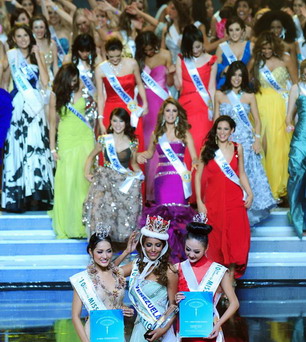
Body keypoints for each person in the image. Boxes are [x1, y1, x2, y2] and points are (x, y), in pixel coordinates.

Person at [214, 61, 276, 225]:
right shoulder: (219, 95)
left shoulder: (249, 96)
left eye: (240, 75)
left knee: (247, 177)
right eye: (234, 74)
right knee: (230, 177)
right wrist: (214, 143)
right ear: (229, 76)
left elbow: (257, 121)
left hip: (246, 144)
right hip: (226, 142)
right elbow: (215, 122)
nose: (237, 78)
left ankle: (245, 217)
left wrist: (256, 140)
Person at [137, 97, 198, 263]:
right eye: (168, 110)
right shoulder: (157, 134)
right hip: (162, 181)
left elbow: (194, 157)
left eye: (174, 110)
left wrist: (196, 164)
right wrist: (141, 155)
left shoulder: (184, 133)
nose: (171, 114)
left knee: (180, 219)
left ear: (178, 114)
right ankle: (165, 259)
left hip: (179, 180)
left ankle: (180, 259)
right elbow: (150, 153)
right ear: (163, 114)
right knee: (164, 218)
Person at [1, 25, 54, 213]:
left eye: (25, 35)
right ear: (14, 39)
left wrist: (38, 55)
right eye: (19, 36)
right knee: (19, 149)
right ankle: (18, 196)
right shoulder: (12, 56)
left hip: (35, 107)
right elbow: (4, 82)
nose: (23, 39)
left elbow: (46, 82)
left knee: (35, 147)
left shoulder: (34, 55)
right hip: (18, 106)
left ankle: (37, 196)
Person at [195, 115, 252, 281]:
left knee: (236, 239)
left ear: (232, 130)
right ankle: (218, 283)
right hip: (213, 202)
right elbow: (198, 176)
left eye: (226, 129)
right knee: (216, 240)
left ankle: (231, 281)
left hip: (234, 201)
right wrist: (199, 201)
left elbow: (241, 173)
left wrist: (250, 192)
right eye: (219, 128)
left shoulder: (237, 148)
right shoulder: (208, 148)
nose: (222, 132)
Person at [83, 107, 143, 242]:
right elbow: (90, 157)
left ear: (126, 123)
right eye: (115, 121)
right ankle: (98, 245)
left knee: (123, 215)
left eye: (121, 121)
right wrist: (86, 173)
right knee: (100, 211)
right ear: (110, 122)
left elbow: (133, 164)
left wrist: (139, 174)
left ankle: (123, 246)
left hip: (123, 181)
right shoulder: (104, 140)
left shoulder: (132, 142)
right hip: (105, 180)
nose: (117, 124)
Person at [49, 63, 95, 238]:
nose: (73, 84)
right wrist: (53, 149)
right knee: (67, 182)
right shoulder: (56, 95)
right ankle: (68, 223)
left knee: (83, 182)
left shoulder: (83, 90)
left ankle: (83, 224)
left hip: (85, 138)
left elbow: (94, 108)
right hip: (67, 139)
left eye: (76, 80)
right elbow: (53, 124)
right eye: (71, 80)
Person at [249, 31, 297, 200]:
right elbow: (245, 79)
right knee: (263, 145)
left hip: (281, 107)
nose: (267, 51)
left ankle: (279, 187)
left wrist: (293, 109)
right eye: (264, 48)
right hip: (261, 107)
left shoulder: (286, 59)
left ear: (275, 46)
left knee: (279, 146)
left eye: (270, 48)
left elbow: (296, 84)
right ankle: (264, 188)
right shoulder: (256, 61)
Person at [176, 24, 217, 202]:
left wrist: (214, 112)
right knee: (185, 147)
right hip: (185, 107)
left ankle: (203, 192)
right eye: (191, 48)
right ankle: (186, 192)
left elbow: (212, 89)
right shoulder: (181, 59)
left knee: (202, 145)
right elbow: (178, 87)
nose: (196, 51)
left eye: (199, 46)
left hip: (203, 108)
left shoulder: (211, 60)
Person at [135, 30, 174, 201]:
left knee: (160, 142)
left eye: (151, 49)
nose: (149, 52)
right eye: (146, 50)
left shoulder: (166, 54)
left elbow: (172, 84)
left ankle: (159, 190)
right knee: (145, 143)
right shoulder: (137, 59)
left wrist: (172, 73)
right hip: (144, 106)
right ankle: (145, 192)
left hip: (161, 104)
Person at [95, 36, 148, 146]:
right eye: (111, 57)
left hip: (131, 109)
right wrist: (100, 120)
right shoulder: (100, 69)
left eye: (118, 56)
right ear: (106, 54)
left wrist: (145, 103)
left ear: (122, 52)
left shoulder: (132, 64)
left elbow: (140, 84)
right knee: (111, 145)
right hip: (110, 110)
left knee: (133, 145)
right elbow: (100, 96)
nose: (114, 59)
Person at [286, 58, 306, 238]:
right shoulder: (296, 88)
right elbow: (289, 116)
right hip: (301, 138)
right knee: (297, 175)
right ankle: (298, 217)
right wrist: (288, 125)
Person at [215, 16, 252, 89]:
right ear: (227, 31)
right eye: (231, 30)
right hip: (225, 85)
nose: (234, 33)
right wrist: (224, 69)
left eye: (237, 29)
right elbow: (215, 68)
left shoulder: (250, 46)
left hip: (244, 85)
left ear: (242, 30)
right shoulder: (222, 47)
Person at [31, 15, 58, 85]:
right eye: (36, 27)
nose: (39, 30)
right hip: (35, 79)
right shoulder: (30, 45)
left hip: (50, 79)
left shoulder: (52, 43)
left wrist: (57, 81)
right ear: (32, 29)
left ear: (46, 29)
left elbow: (55, 65)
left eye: (41, 27)